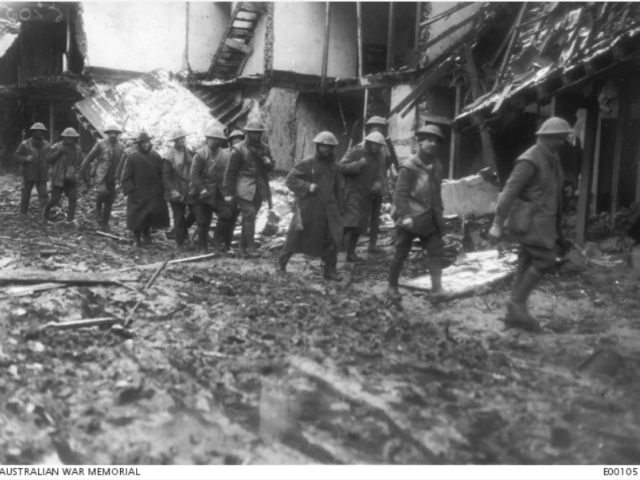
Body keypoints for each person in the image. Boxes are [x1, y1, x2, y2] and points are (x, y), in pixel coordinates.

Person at [488, 117, 572, 331]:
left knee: (526, 262)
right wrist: (497, 224)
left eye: (563, 138)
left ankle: (513, 312)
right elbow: (508, 193)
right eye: (558, 138)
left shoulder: (552, 158)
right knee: (546, 259)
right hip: (531, 223)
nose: (562, 142)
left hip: (544, 223)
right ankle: (517, 304)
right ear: (544, 137)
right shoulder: (529, 160)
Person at [387, 125, 451, 303]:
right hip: (410, 218)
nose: (433, 144)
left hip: (430, 219)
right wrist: (405, 215)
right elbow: (400, 194)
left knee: (436, 251)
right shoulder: (409, 166)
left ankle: (436, 290)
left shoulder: (437, 166)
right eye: (429, 140)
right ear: (420, 142)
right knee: (400, 252)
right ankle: (392, 288)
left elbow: (436, 193)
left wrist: (440, 216)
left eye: (436, 141)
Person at [276, 131, 343, 281]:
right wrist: (307, 186)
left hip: (330, 208)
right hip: (309, 207)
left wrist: (340, 209)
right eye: (324, 146)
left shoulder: (335, 167)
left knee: (333, 238)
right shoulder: (307, 163)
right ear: (318, 146)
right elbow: (290, 180)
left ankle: (329, 271)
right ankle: (281, 263)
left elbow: (338, 189)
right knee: (295, 236)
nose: (327, 149)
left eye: (330, 147)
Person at [223, 119, 274, 258]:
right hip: (243, 187)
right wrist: (228, 194)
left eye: (259, 133)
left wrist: (269, 163)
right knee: (250, 214)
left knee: (249, 218)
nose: (257, 135)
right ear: (248, 133)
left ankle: (242, 249)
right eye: (254, 133)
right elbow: (230, 172)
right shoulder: (238, 149)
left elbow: (270, 168)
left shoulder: (264, 148)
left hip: (259, 188)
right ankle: (251, 248)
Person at [338, 131, 385, 262]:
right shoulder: (355, 152)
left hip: (367, 195)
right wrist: (358, 164)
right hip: (352, 192)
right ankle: (330, 252)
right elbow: (340, 167)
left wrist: (377, 186)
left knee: (360, 225)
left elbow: (379, 176)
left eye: (379, 145)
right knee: (349, 222)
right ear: (369, 143)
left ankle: (351, 253)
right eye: (375, 144)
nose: (377, 147)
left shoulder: (379, 157)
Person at [121, 131, 170, 247]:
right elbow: (126, 177)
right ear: (139, 144)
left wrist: (160, 188)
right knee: (137, 217)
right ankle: (137, 238)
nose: (146, 145)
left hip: (153, 192)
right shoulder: (132, 158)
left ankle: (147, 233)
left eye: (147, 142)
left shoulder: (156, 156)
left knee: (150, 214)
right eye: (143, 143)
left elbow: (161, 173)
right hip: (138, 192)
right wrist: (132, 190)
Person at [190, 126, 232, 251]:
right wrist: (201, 189)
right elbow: (194, 174)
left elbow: (228, 174)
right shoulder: (200, 154)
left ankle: (216, 239)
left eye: (219, 139)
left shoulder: (225, 155)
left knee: (226, 215)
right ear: (207, 139)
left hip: (218, 192)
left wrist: (228, 191)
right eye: (213, 139)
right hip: (201, 193)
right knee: (202, 222)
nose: (216, 141)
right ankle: (203, 247)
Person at [79, 124, 126, 232]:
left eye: (115, 133)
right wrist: (81, 171)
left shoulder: (121, 146)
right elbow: (90, 157)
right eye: (111, 133)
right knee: (103, 192)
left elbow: (124, 163)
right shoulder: (100, 144)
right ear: (107, 134)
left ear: (118, 135)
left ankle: (105, 224)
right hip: (101, 175)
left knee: (109, 200)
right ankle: (98, 208)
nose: (113, 135)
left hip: (113, 177)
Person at [363, 116, 396, 254]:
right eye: (374, 127)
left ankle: (372, 245)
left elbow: (390, 164)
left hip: (380, 184)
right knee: (358, 216)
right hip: (364, 187)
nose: (377, 130)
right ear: (369, 129)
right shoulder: (362, 146)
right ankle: (346, 244)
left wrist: (393, 176)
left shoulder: (385, 148)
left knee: (375, 217)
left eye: (380, 128)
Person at [162, 128, 195, 247]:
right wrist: (172, 191)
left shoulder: (189, 152)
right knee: (179, 217)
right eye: (179, 138)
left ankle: (182, 229)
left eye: (183, 138)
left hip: (189, 189)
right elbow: (166, 177)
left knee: (196, 211)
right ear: (175, 141)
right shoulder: (168, 156)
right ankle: (179, 242)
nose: (182, 140)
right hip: (176, 189)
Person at [42, 128, 82, 222]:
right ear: (64, 137)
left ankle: (70, 220)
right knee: (55, 198)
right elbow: (47, 158)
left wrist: (80, 175)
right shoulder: (57, 146)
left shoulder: (77, 149)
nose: (70, 140)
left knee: (73, 198)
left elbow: (80, 163)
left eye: (72, 138)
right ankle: (45, 212)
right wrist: (58, 153)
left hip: (71, 178)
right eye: (68, 137)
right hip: (59, 177)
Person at [14, 123, 50, 217]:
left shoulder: (46, 145)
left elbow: (51, 158)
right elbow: (16, 156)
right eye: (37, 131)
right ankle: (23, 214)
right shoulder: (25, 144)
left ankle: (45, 215)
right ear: (33, 132)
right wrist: (25, 159)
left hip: (42, 174)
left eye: (41, 131)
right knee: (25, 195)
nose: (39, 133)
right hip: (28, 173)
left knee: (44, 195)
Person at [223, 130, 245, 251]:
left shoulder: (245, 154)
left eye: (239, 139)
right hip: (227, 191)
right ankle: (224, 243)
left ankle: (240, 245)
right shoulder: (225, 154)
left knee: (235, 218)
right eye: (234, 139)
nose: (237, 141)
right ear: (230, 142)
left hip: (242, 190)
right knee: (227, 217)